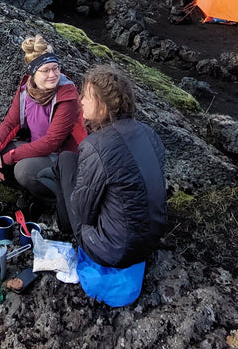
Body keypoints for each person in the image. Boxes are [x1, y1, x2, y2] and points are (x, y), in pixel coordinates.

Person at [55, 64, 167, 269]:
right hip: (151, 241)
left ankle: (63, 228)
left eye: (86, 96)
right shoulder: (149, 133)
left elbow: (82, 214)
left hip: (112, 250)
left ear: (103, 105)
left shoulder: (96, 145)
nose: (81, 101)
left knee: (66, 161)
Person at [0, 34, 86, 215]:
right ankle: (26, 191)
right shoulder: (27, 90)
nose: (53, 75)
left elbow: (51, 142)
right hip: (38, 149)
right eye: (45, 70)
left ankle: (54, 200)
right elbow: (10, 123)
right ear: (33, 73)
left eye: (56, 68)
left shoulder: (67, 96)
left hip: (63, 157)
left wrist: (8, 157)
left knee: (24, 170)